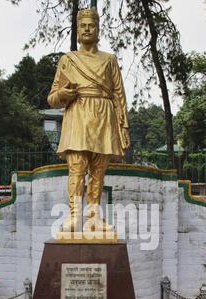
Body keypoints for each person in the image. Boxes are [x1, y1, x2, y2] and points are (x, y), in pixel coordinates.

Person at [47, 7, 130, 232]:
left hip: (104, 116)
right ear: (77, 30)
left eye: (90, 25)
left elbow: (119, 95)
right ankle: (74, 215)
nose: (86, 29)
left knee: (98, 172)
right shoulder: (68, 60)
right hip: (77, 115)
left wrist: (123, 125)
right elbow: (52, 97)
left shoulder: (109, 60)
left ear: (98, 29)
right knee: (77, 168)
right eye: (82, 25)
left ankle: (93, 217)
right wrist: (63, 95)